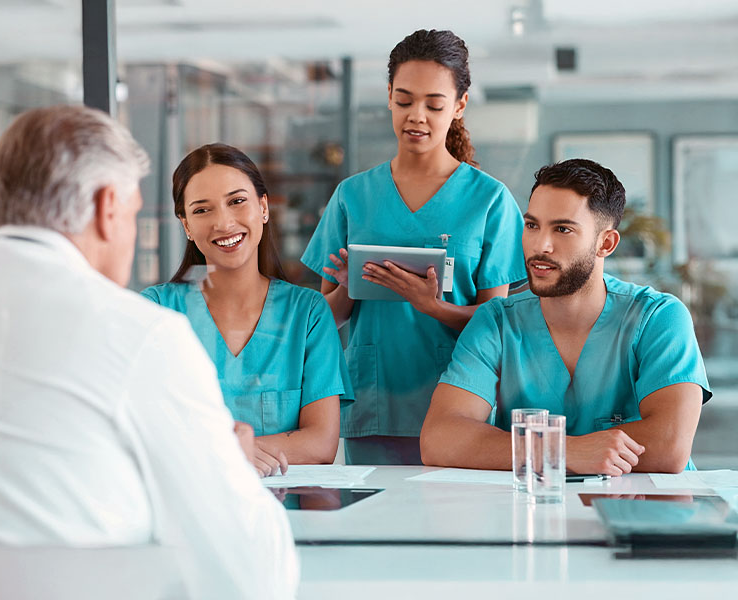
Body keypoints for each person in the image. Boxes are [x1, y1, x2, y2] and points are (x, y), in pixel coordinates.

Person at [0, 106, 298, 598]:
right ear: (108, 207)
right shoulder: (142, 335)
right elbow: (251, 576)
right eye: (133, 213)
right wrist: (231, 469)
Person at [301, 29, 527, 465]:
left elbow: (496, 323)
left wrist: (433, 306)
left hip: (460, 408)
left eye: (434, 105)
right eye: (404, 101)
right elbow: (324, 322)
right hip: (374, 403)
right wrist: (350, 286)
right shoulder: (353, 196)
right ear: (388, 96)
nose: (416, 117)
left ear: (459, 105)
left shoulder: (489, 200)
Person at [421, 158, 711, 475]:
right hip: (537, 502)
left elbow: (669, 448)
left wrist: (530, 451)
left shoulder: (659, 317)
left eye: (562, 229)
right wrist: (563, 451)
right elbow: (439, 439)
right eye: (532, 225)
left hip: (648, 504)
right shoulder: (496, 322)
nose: (540, 246)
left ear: (606, 243)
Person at [141, 143, 351, 476]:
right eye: (202, 210)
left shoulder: (308, 314)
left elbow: (321, 443)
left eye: (237, 201)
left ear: (263, 208)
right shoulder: (155, 312)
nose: (224, 222)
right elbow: (141, 431)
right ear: (186, 226)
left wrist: (215, 451)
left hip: (285, 506)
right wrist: (233, 452)